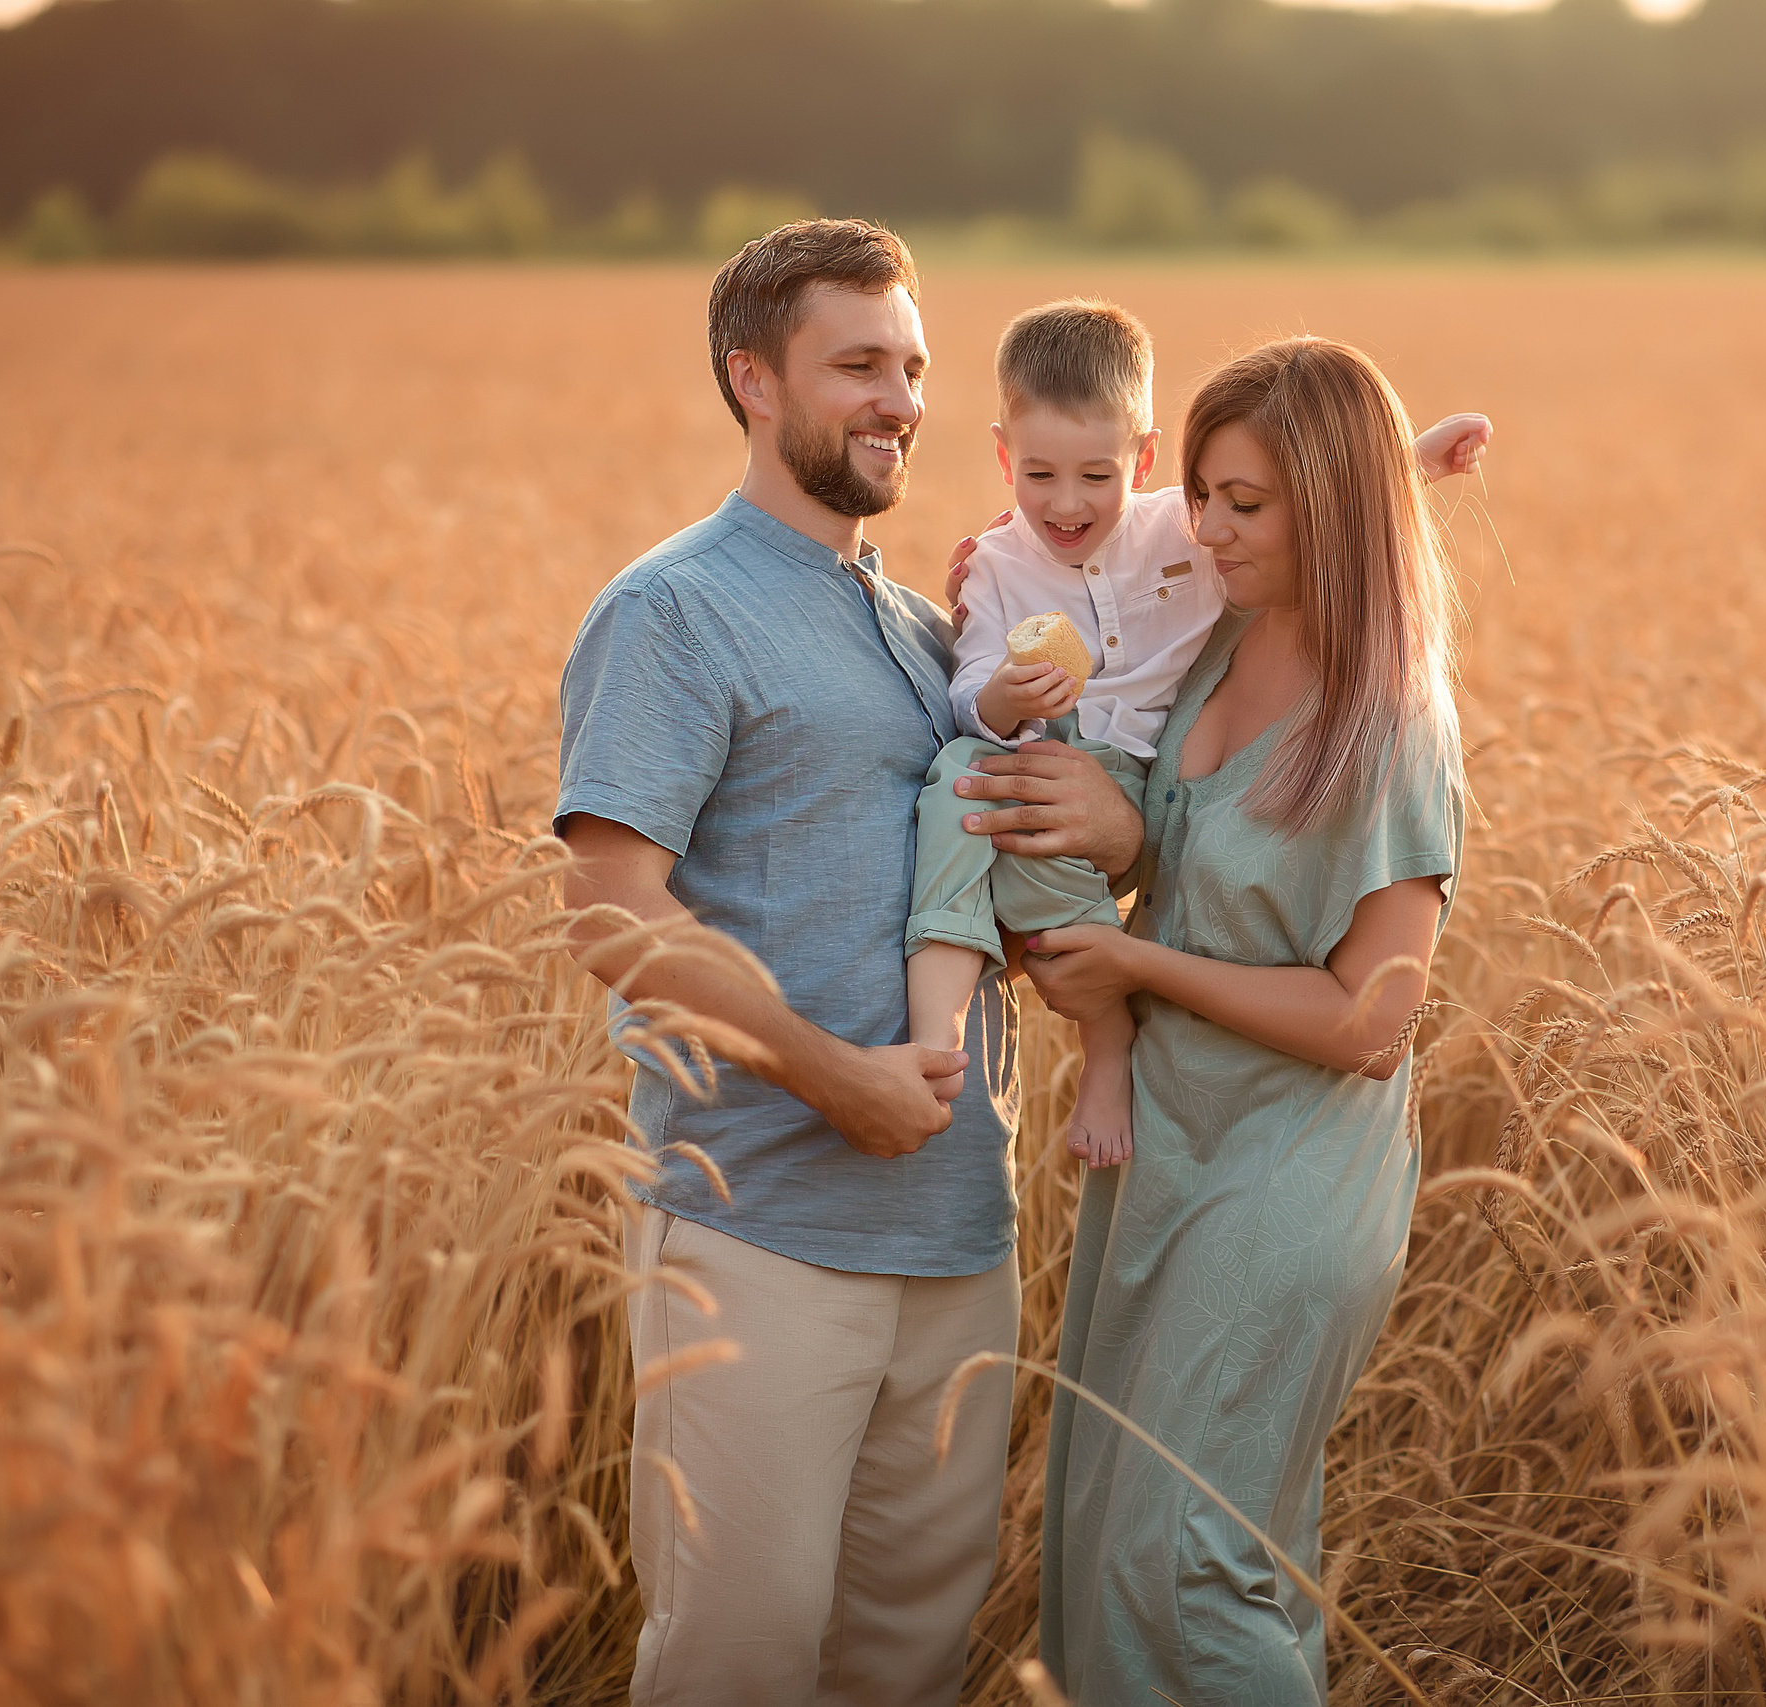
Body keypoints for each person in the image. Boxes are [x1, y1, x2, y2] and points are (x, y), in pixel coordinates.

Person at [553, 219, 1144, 1707]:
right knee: (739, 1661)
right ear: (754, 380)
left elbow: (990, 878)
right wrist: (834, 1078)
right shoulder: (672, 609)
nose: (901, 399)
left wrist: (1105, 841)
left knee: (907, 1660)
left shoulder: (930, 626)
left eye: (917, 366)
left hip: (957, 1232)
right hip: (762, 1228)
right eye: (859, 364)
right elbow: (615, 912)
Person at [1013, 336, 1474, 1705]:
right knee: (1125, 1531)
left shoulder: (1390, 719)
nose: (1208, 527)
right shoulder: (1219, 634)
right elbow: (1088, 524)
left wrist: (1141, 970)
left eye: (1247, 503)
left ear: (1328, 509)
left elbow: (1371, 1018)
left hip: (1289, 1172)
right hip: (1168, 1152)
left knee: (1185, 1555)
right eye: (1205, 492)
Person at [910, 299, 1488, 1170]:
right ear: (1004, 459)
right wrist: (999, 690)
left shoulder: (1181, 538)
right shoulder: (1011, 567)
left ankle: (1099, 1049)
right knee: (963, 790)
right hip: (1046, 763)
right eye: (1039, 478)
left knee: (1033, 858)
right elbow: (971, 693)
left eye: (1096, 478)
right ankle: (935, 1030)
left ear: (1140, 462)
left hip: (1143, 791)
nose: (1066, 505)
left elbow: (1316, 506)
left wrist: (1407, 467)